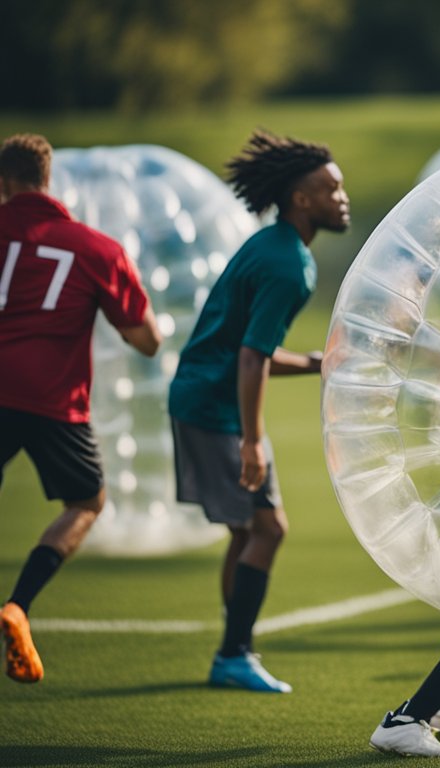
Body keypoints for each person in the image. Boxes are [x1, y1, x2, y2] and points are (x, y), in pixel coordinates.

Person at [168, 129, 347, 693]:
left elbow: (255, 352)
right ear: (301, 200)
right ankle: (233, 653)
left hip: (203, 395)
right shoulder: (289, 265)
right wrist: (251, 441)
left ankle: (235, 650)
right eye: (331, 189)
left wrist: (317, 363)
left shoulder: (274, 244)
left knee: (248, 530)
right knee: (269, 528)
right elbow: (250, 358)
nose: (343, 197)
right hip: (215, 406)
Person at [0, 133, 162, 683]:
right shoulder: (95, 247)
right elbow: (146, 339)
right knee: (87, 501)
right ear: (49, 181)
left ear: (4, 184)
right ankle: (19, 605)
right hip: (52, 400)